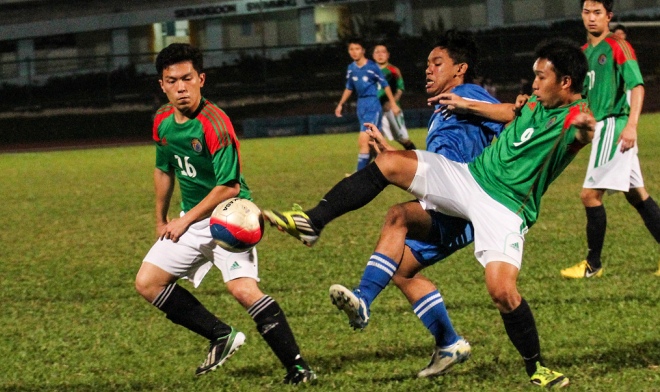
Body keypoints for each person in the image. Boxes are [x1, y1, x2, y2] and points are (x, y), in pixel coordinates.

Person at [265, 39, 596, 388]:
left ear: (566, 83)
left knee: (502, 292)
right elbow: (512, 113)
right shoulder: (534, 104)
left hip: (507, 207)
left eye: (541, 77)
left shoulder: (573, 116)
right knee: (390, 163)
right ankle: (313, 222)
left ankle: (537, 367)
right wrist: (466, 104)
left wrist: (588, 129)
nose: (534, 83)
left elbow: (583, 130)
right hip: (471, 178)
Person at [134, 43, 315, 384]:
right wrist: (160, 218)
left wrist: (184, 220)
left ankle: (299, 368)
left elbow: (229, 186)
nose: (180, 87)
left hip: (231, 217)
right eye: (171, 81)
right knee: (148, 282)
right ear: (162, 84)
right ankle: (221, 335)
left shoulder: (215, 124)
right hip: (190, 217)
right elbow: (164, 170)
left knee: (243, 291)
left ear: (201, 79)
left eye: (187, 78)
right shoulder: (161, 120)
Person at [329, 30, 504, 378]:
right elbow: (439, 162)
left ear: (460, 69)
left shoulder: (466, 93)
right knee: (401, 270)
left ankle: (363, 299)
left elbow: (514, 114)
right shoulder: (445, 108)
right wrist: (392, 154)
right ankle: (448, 342)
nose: (428, 70)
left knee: (398, 216)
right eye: (427, 64)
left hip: (463, 204)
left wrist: (471, 104)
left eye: (437, 63)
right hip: (449, 203)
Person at [560, 0, 660, 279]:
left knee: (590, 195)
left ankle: (593, 264)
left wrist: (632, 126)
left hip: (614, 127)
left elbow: (637, 86)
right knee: (637, 195)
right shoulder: (581, 54)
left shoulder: (618, 45)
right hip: (601, 128)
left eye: (597, 13)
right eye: (586, 12)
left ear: (609, 16)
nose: (591, 18)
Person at [335, 37, 401, 172]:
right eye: (351, 49)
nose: (354, 52)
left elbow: (385, 85)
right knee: (373, 143)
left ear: (363, 50)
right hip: (361, 105)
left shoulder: (372, 67)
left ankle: (358, 175)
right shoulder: (351, 68)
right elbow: (349, 87)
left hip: (373, 105)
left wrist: (393, 104)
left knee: (363, 141)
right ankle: (390, 167)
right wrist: (341, 104)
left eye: (357, 49)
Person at [372, 44, 416, 151]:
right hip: (376, 110)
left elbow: (400, 88)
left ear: (388, 55)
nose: (380, 54)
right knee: (376, 139)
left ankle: (417, 158)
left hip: (392, 110)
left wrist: (392, 103)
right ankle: (381, 165)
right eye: (377, 52)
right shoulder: (370, 71)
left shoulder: (393, 70)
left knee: (402, 139)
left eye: (383, 52)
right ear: (373, 55)